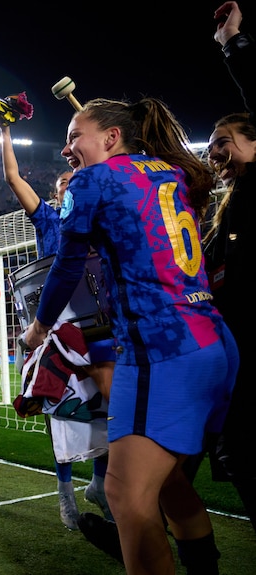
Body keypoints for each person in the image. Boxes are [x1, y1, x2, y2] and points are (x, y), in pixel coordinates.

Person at [22, 97, 239, 575]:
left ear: (111, 138)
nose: (66, 150)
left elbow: (68, 263)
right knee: (167, 484)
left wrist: (39, 327)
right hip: (213, 341)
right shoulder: (172, 171)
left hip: (161, 347)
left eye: (74, 136)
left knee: (123, 492)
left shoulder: (92, 179)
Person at [0, 111, 114, 529]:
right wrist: (6, 131)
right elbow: (12, 176)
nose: (69, 184)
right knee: (58, 404)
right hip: (55, 318)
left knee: (106, 401)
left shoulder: (98, 213)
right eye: (62, 183)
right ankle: (65, 494)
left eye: (72, 179)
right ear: (56, 193)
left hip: (96, 317)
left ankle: (99, 484)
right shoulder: (47, 218)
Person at [200, 0, 256, 534]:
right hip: (234, 370)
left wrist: (233, 45)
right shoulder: (219, 217)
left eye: (224, 141)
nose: (214, 151)